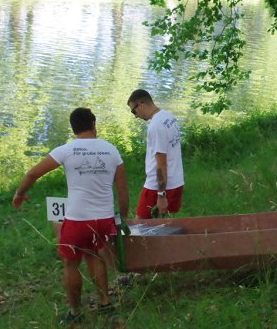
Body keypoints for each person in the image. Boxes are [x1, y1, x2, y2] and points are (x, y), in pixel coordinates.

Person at [12, 108, 129, 324]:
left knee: (71, 264)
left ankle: (76, 312)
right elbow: (122, 190)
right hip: (103, 219)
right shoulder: (111, 151)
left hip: (77, 220)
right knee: (95, 256)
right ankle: (105, 304)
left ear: (73, 128)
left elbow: (32, 173)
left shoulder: (66, 150)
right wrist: (122, 218)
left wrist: (20, 193)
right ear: (94, 124)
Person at [127, 89, 184, 219]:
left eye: (133, 111)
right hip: (177, 181)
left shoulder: (156, 125)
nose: (135, 116)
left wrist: (161, 195)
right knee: (165, 225)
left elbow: (161, 163)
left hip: (157, 186)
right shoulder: (169, 117)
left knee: (140, 224)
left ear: (141, 104)